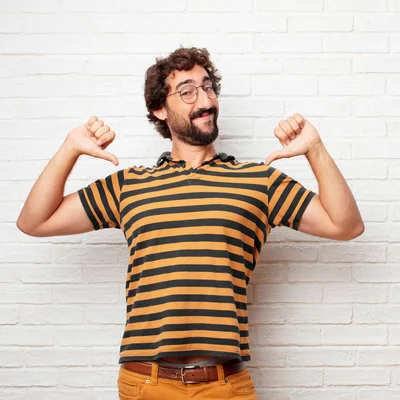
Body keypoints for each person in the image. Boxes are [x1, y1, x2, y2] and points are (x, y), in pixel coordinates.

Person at [16, 47, 364, 400]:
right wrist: (69, 149)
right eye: (187, 91)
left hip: (226, 386)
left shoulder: (259, 182)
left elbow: (345, 225)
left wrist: (314, 149)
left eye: (208, 87)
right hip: (145, 385)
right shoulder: (129, 185)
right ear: (160, 109)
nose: (205, 100)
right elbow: (34, 221)